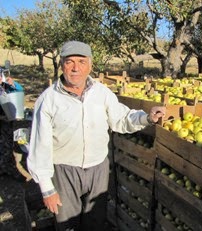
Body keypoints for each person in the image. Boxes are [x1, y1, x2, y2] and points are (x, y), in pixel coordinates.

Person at [27, 40, 166, 230]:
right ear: (61, 65)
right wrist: (47, 189)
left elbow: (121, 118)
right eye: (70, 62)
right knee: (67, 224)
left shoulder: (101, 92)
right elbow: (39, 146)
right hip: (65, 170)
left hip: (98, 169)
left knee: (95, 221)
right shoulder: (48, 99)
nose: (76, 68)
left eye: (81, 62)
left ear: (90, 65)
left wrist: (147, 118)